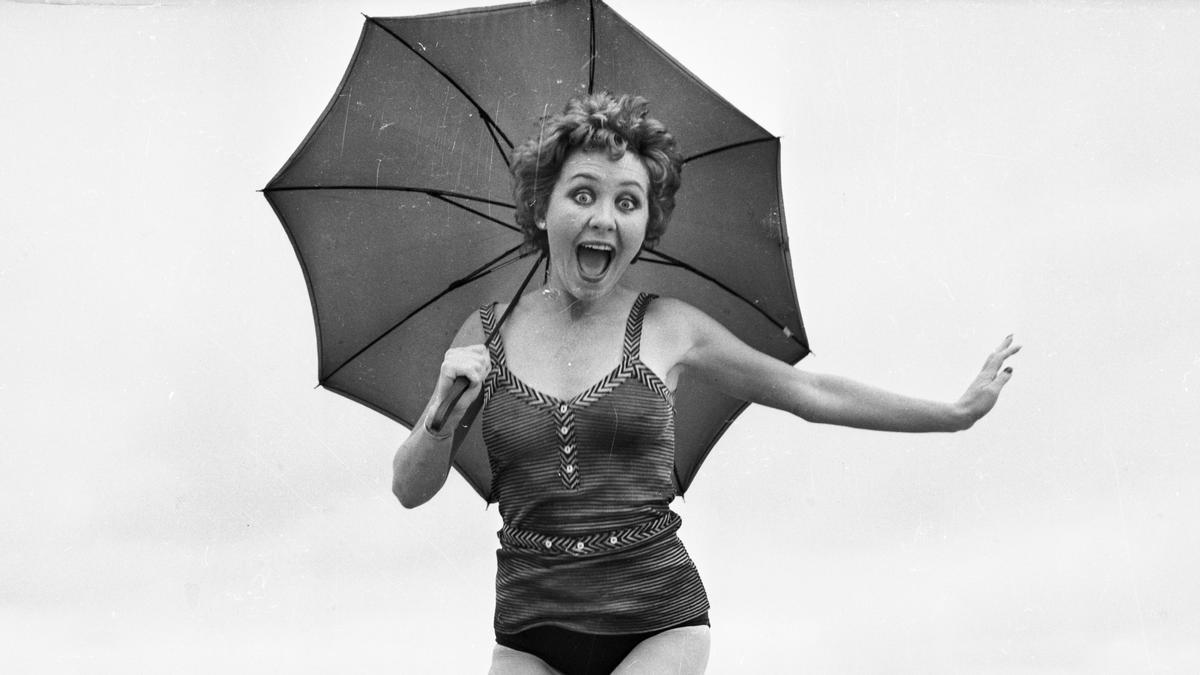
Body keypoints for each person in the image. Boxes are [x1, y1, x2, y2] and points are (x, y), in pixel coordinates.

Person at [392, 93, 1020, 675]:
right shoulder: (483, 337)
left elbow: (812, 394)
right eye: (582, 195)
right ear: (542, 207)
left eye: (628, 202)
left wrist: (955, 413)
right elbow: (409, 489)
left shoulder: (670, 327)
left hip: (658, 622)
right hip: (529, 629)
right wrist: (443, 412)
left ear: (647, 222)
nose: (604, 219)